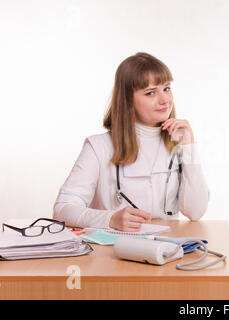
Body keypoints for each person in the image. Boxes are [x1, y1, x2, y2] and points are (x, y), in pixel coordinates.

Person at [53, 52, 209, 231]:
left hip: (166, 250)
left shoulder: (178, 144)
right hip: (112, 252)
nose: (165, 100)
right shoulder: (98, 147)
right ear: (127, 100)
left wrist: (189, 148)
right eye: (150, 93)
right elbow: (62, 209)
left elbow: (195, 212)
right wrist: (109, 219)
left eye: (166, 88)